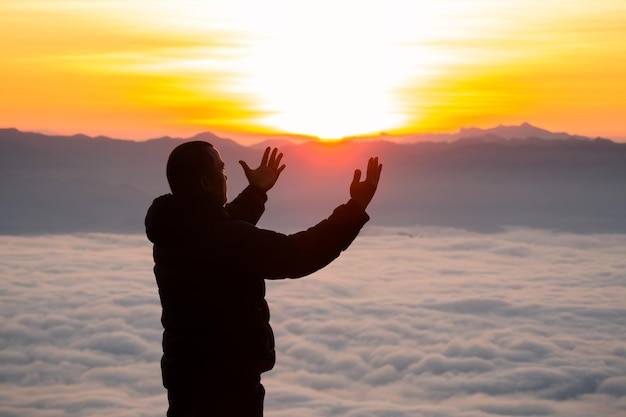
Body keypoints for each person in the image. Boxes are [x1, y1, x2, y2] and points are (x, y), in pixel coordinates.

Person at [145, 141, 382, 417]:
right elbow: (297, 254)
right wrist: (355, 207)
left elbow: (223, 226)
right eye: (221, 169)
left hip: (187, 384)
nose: (226, 175)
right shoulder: (220, 240)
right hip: (227, 392)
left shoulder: (174, 230)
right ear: (205, 183)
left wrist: (256, 191)